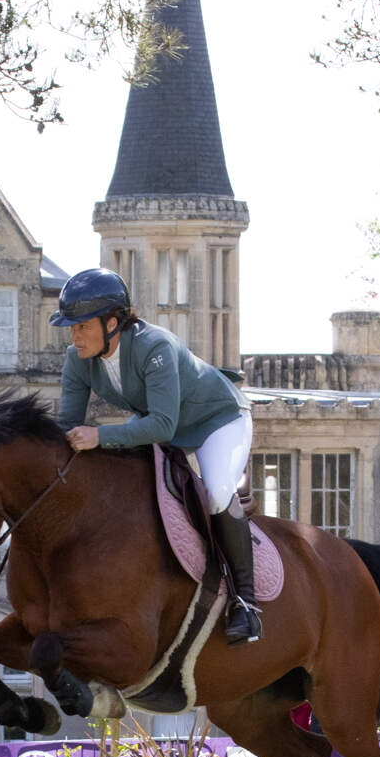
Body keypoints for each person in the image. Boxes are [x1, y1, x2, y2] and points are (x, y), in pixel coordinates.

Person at [52, 267, 263, 645]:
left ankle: (245, 603)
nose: (75, 335)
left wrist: (99, 436)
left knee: (216, 490)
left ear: (113, 323)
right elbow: (66, 426)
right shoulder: (77, 358)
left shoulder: (155, 346)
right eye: (72, 327)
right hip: (162, 425)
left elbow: (163, 426)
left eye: (82, 326)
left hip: (219, 421)